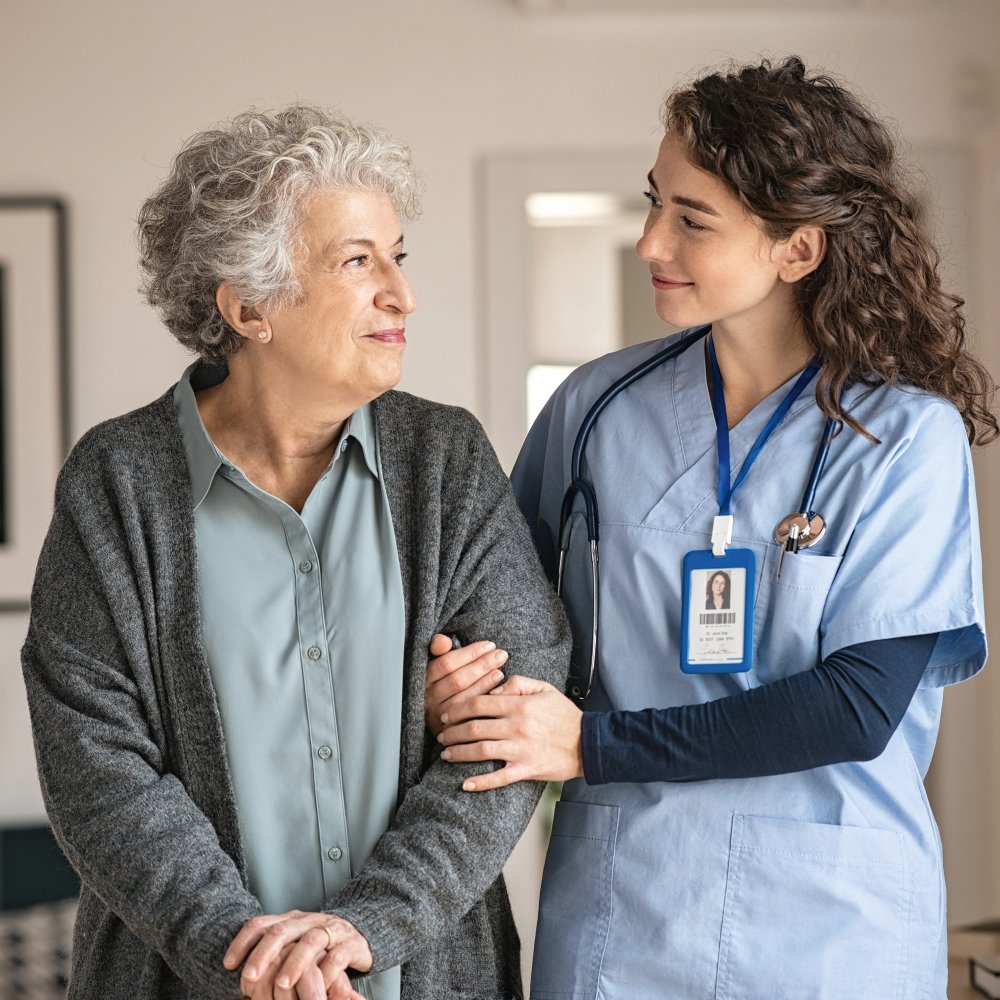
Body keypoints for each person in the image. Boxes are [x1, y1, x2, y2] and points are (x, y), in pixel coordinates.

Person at [428, 57, 996, 998]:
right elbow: (502, 618)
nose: (650, 241)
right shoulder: (595, 409)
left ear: (797, 249)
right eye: (655, 204)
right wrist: (461, 681)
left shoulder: (903, 438)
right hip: (624, 916)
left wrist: (590, 747)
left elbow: (858, 706)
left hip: (831, 933)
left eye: (692, 220)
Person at [20, 104, 569, 1000]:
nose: (402, 293)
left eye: (398, 255)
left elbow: (513, 727)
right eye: (359, 261)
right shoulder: (115, 485)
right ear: (248, 306)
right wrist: (255, 958)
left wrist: (366, 928)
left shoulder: (446, 461)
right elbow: (97, 772)